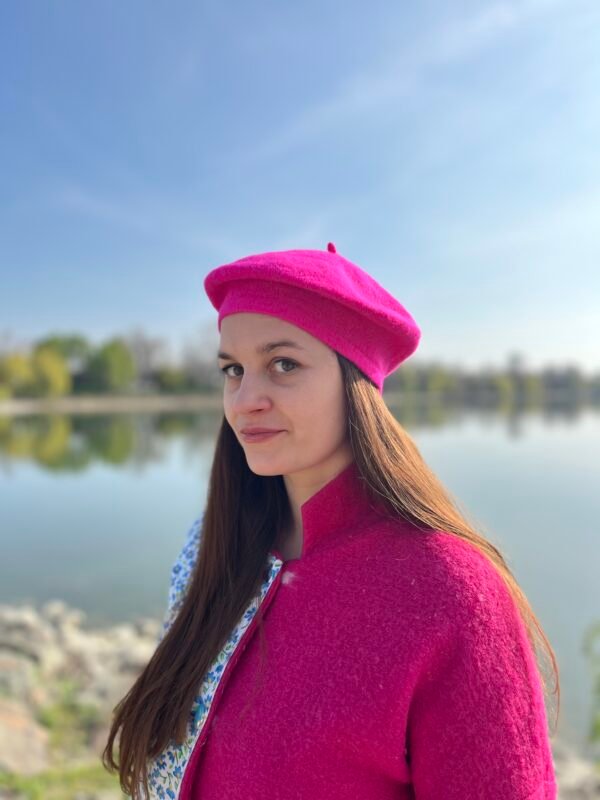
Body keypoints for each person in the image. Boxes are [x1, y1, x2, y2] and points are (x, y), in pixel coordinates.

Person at [103, 242, 560, 799]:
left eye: (283, 364)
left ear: (356, 385)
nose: (245, 399)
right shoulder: (215, 544)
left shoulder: (452, 595)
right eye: (233, 369)